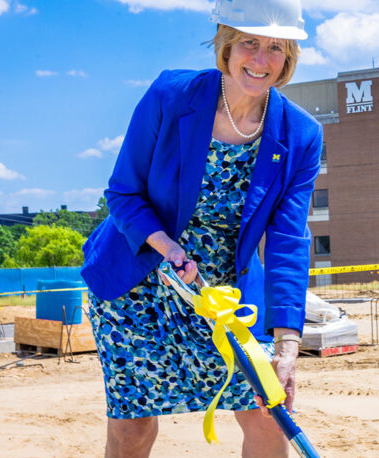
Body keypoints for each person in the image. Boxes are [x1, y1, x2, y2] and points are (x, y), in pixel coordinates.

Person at [80, 0, 321, 456]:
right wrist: (166, 245)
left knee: (267, 415)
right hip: (139, 285)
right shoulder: (171, 96)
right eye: (249, 42)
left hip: (223, 299)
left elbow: (289, 240)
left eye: (275, 47)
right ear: (227, 44)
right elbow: (123, 193)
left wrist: (288, 347)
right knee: (133, 430)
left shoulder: (301, 135)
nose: (260, 58)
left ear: (289, 55)